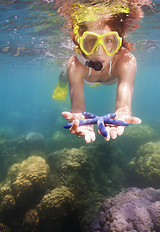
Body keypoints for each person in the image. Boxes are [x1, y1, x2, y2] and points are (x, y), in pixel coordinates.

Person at [53, 1, 151, 143]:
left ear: (118, 43)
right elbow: (78, 109)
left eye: (109, 40)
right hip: (82, 76)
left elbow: (123, 107)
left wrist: (122, 114)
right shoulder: (75, 65)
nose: (99, 51)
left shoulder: (126, 62)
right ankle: (62, 80)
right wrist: (79, 118)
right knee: (65, 75)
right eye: (91, 41)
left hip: (93, 77)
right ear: (81, 43)